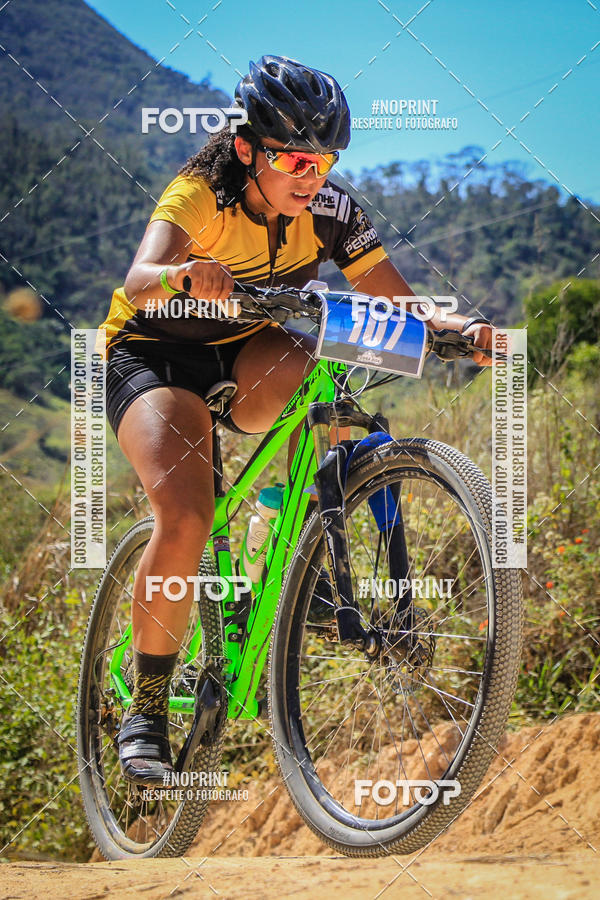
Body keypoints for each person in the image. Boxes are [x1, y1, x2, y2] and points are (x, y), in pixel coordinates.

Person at [99, 54, 494, 784]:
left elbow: (393, 307)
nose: (310, 176)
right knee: (187, 516)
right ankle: (145, 709)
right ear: (247, 148)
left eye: (323, 160)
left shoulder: (332, 212)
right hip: (154, 358)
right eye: (292, 158)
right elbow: (136, 281)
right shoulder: (199, 196)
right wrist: (188, 274)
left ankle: (300, 551)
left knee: (331, 380)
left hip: (245, 353)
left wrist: (457, 332)